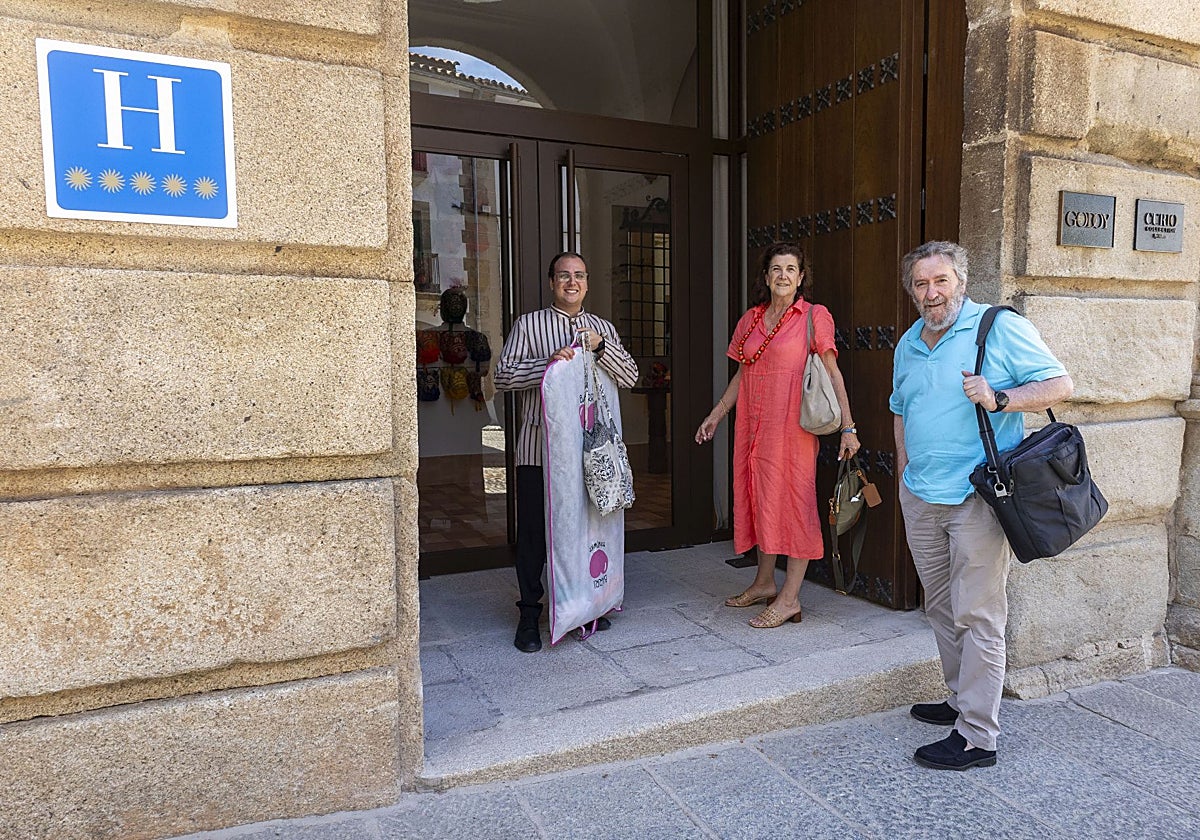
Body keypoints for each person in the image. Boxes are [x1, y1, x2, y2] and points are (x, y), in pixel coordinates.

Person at [891, 240, 1073, 770]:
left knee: (979, 614)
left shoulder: (997, 327)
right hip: (921, 495)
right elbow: (900, 407)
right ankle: (958, 700)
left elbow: (1060, 382)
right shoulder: (909, 342)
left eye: (940, 281)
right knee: (941, 607)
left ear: (961, 282)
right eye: (921, 284)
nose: (931, 292)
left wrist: (999, 398)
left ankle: (977, 736)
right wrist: (905, 470)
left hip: (977, 496)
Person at [695, 242, 859, 628]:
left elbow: (832, 373)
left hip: (792, 432)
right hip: (752, 430)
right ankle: (765, 582)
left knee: (794, 505)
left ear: (801, 278)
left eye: (791, 269)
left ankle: (789, 599)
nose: (782, 276)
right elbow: (743, 374)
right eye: (775, 269)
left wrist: (849, 427)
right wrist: (716, 415)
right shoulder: (750, 319)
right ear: (766, 277)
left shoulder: (814, 317)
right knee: (760, 500)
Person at [493, 252, 639, 653]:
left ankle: (583, 606)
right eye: (563, 276)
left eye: (578, 276)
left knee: (585, 531)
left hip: (587, 456)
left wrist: (603, 347)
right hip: (538, 450)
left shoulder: (601, 328)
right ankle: (528, 615)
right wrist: (546, 363)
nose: (571, 282)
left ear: (587, 283)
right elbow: (502, 375)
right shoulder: (529, 325)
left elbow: (630, 376)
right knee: (535, 537)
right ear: (552, 282)